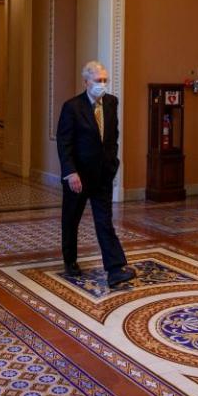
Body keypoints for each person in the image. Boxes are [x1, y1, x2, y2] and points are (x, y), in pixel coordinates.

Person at [56, 60, 135, 287]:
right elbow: (65, 143)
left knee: (104, 222)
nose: (102, 84)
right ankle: (70, 261)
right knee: (71, 220)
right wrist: (70, 173)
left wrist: (112, 164)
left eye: (104, 80)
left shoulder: (111, 103)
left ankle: (115, 269)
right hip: (77, 178)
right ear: (86, 82)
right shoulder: (72, 107)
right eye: (98, 80)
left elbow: (112, 137)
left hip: (102, 175)